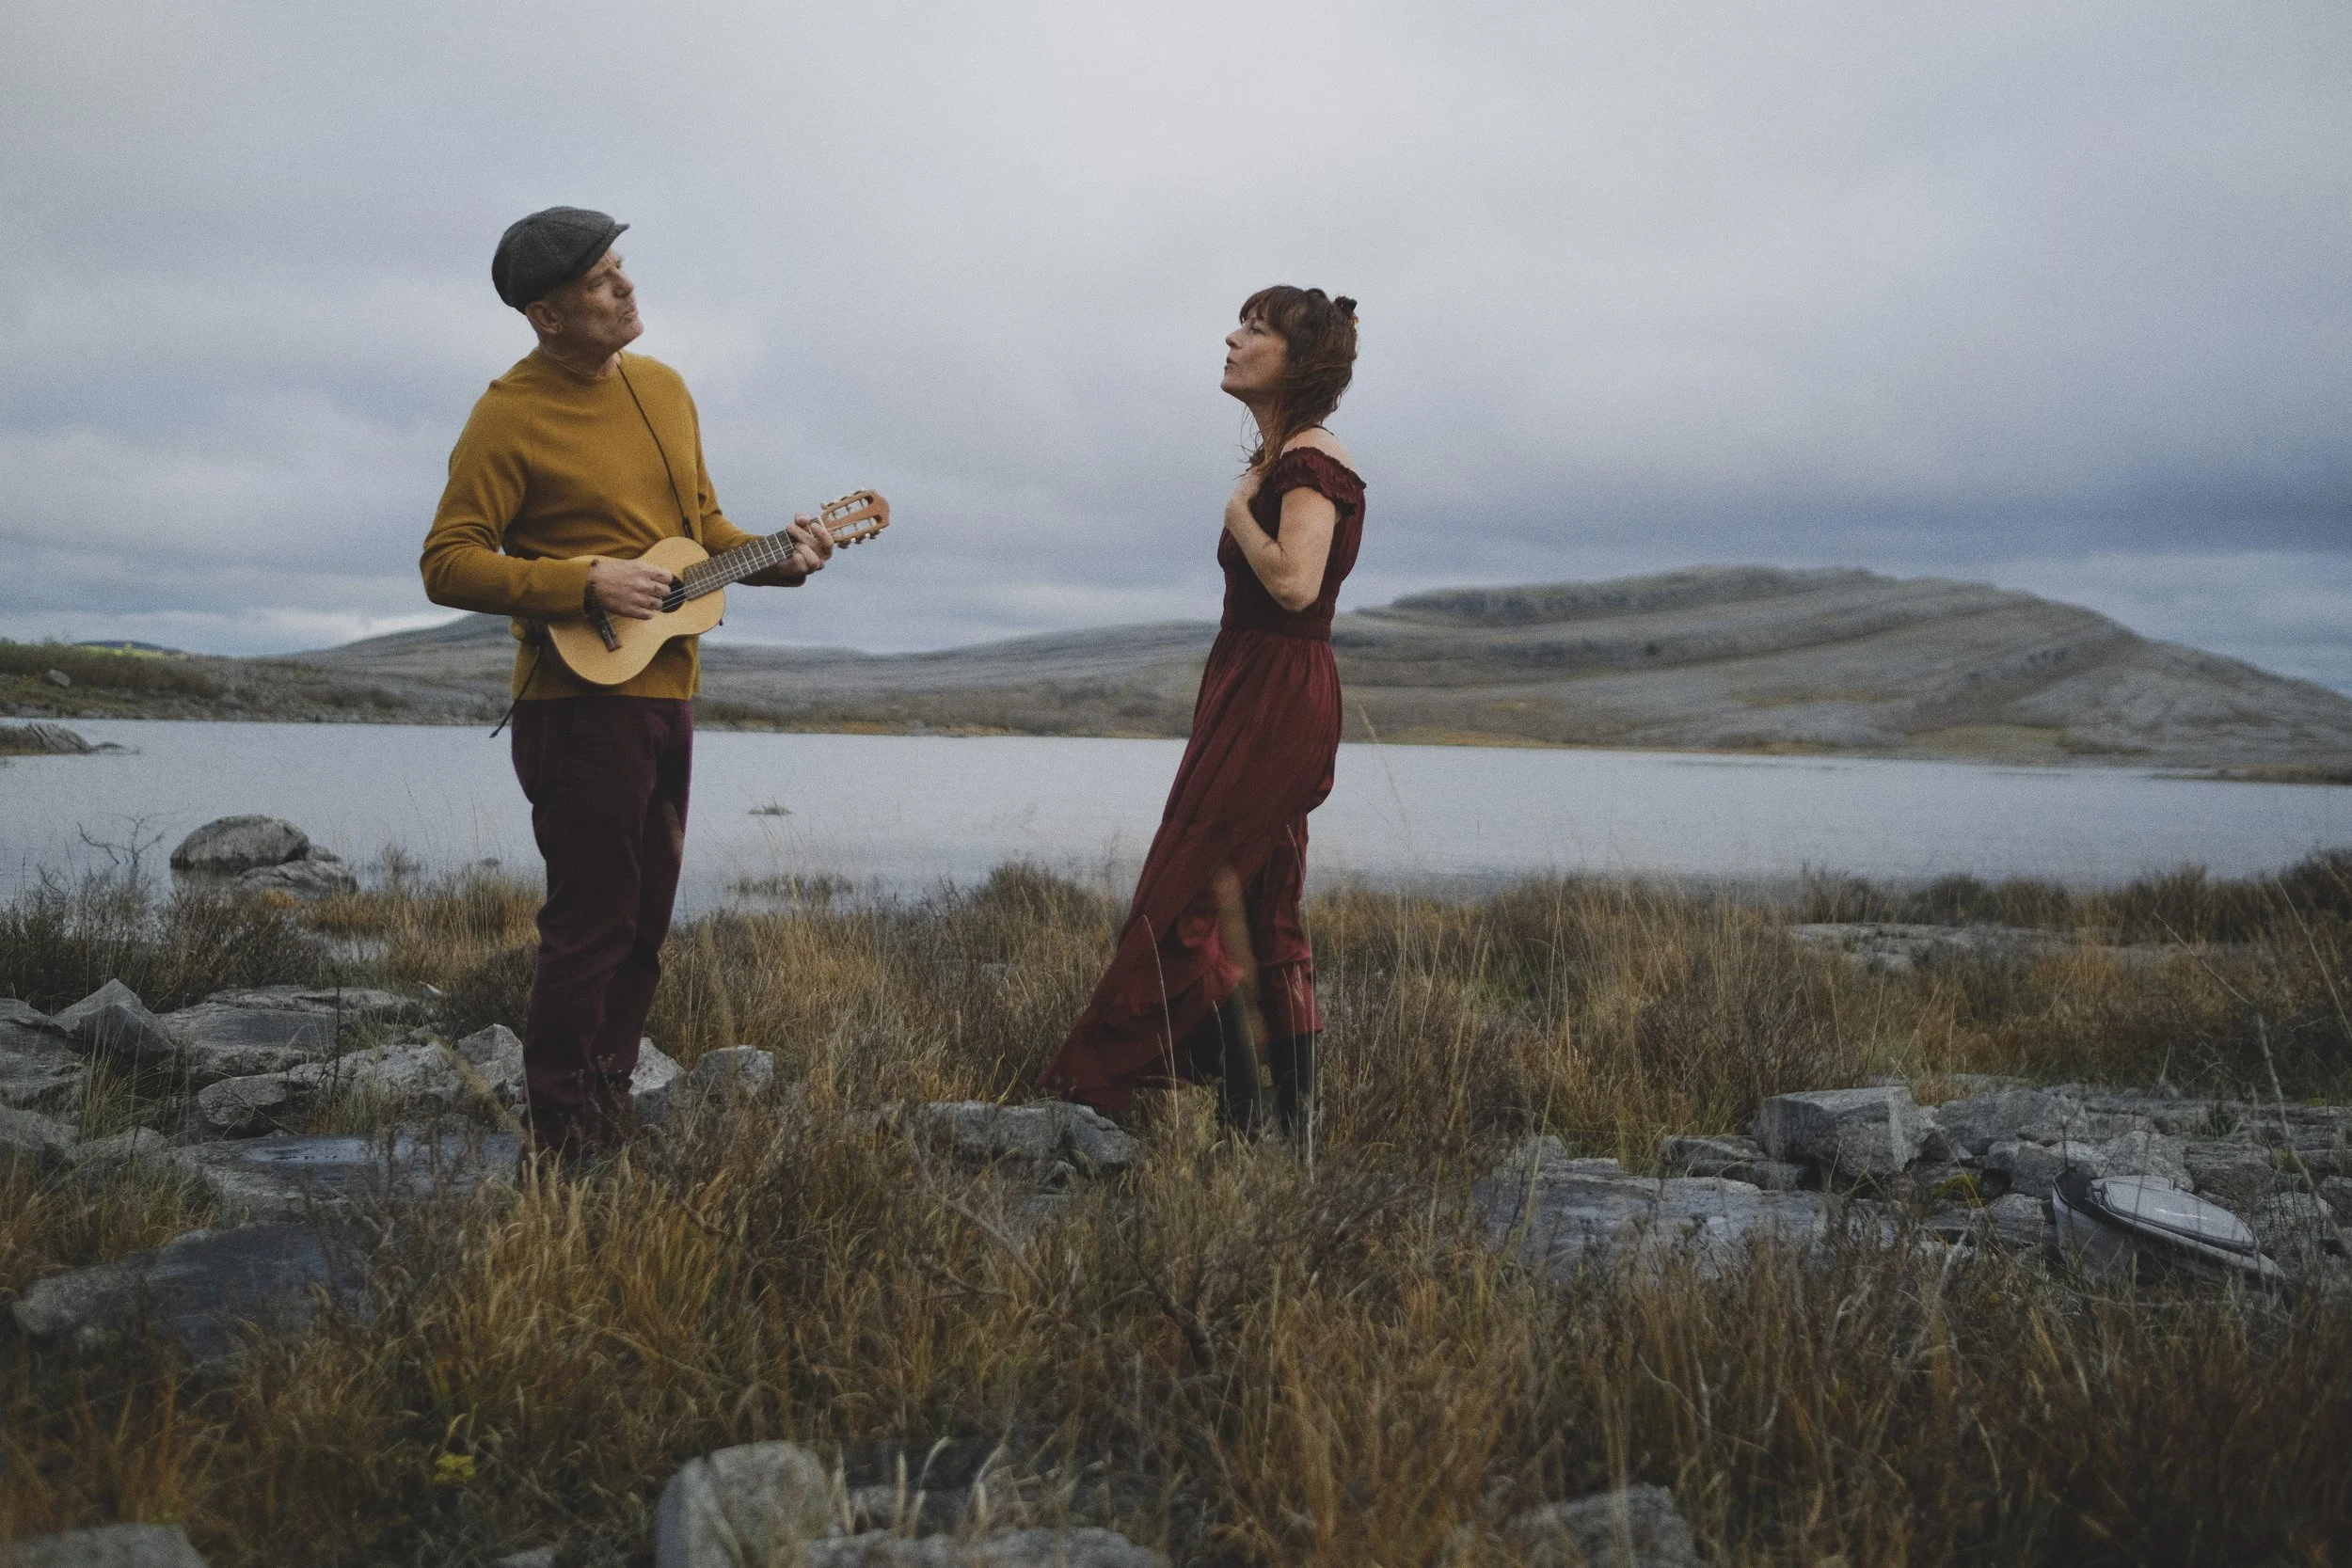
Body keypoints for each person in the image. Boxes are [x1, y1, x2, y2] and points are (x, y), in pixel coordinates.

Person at [420, 206, 833, 1154]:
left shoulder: (665, 390)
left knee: (644, 924)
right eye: (601, 281)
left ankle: (608, 1114)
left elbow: (704, 532)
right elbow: (446, 561)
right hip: (574, 707)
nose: (627, 287)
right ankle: (561, 1137)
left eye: (622, 267)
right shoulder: (507, 415)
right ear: (547, 315)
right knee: (590, 923)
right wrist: (581, 581)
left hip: (666, 694)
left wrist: (782, 557)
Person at [1041, 286, 1363, 1137]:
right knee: (1262, 906)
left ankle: (1245, 1115)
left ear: (1299, 359)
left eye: (1254, 330)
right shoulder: (1285, 458)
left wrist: (1235, 514)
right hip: (1257, 686)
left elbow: (1294, 583)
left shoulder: (1311, 463)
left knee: (1186, 898)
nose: (1231, 338)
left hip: (1274, 695)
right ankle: (1280, 1131)